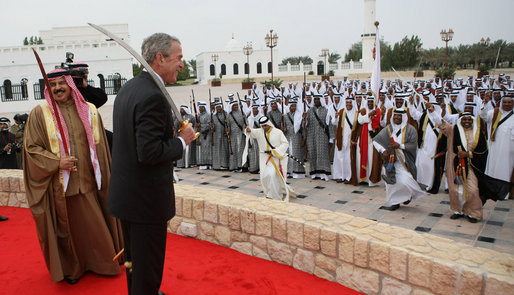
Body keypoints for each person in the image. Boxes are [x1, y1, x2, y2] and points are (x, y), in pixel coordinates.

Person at [108, 33, 195, 295]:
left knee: (135, 264)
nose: (182, 64)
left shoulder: (130, 88)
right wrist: (182, 140)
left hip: (128, 198)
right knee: (148, 270)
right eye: (178, 58)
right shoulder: (152, 96)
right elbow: (149, 151)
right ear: (160, 58)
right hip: (146, 203)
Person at [22, 69, 123, 283]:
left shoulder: (90, 111)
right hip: (61, 186)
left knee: (96, 228)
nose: (58, 88)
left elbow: (101, 148)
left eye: (62, 83)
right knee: (69, 231)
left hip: (89, 183)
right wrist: (56, 162)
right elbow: (31, 149)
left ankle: (103, 263)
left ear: (71, 85)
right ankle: (73, 269)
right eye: (53, 84)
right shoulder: (40, 114)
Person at [372, 109, 425, 210]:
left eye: (399, 116)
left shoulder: (410, 130)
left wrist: (399, 145)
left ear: (404, 117)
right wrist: (383, 150)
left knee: (406, 181)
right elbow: (376, 141)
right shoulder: (388, 129)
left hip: (405, 163)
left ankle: (407, 196)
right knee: (391, 184)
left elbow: (413, 145)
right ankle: (394, 203)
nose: (396, 117)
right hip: (391, 163)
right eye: (395, 115)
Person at [243, 116, 295, 201]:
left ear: (269, 124)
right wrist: (248, 130)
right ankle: (269, 192)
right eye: (262, 126)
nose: (264, 127)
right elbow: (251, 131)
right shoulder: (260, 132)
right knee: (264, 176)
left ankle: (275, 195)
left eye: (265, 125)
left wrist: (275, 151)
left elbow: (285, 143)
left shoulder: (278, 132)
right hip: (264, 158)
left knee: (271, 175)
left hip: (275, 157)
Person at [481, 94, 513, 199]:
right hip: (494, 148)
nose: (507, 104)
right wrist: (485, 104)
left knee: (507, 170)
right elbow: (483, 116)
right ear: (501, 103)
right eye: (505, 102)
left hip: (510, 151)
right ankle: (492, 191)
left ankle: (505, 193)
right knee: (493, 169)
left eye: (509, 102)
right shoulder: (494, 113)